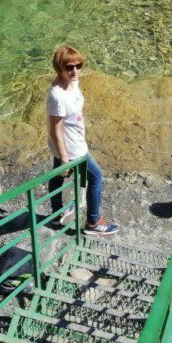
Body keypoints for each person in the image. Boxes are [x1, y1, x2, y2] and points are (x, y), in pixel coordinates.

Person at [46, 46, 120, 236]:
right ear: (59, 67)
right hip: (72, 149)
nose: (75, 71)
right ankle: (93, 223)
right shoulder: (57, 95)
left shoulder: (73, 82)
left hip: (71, 142)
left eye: (79, 66)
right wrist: (65, 158)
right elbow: (55, 129)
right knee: (96, 177)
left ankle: (57, 213)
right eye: (70, 67)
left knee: (57, 177)